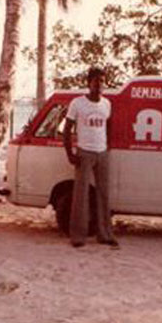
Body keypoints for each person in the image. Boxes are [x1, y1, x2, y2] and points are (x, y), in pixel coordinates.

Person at [63, 67, 117, 249]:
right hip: (84, 152)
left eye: (102, 81)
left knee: (103, 194)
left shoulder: (106, 104)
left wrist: (107, 146)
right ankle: (78, 236)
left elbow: (108, 125)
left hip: (102, 153)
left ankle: (105, 234)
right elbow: (67, 129)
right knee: (81, 195)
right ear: (89, 83)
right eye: (96, 81)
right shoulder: (77, 103)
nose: (99, 85)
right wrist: (70, 153)